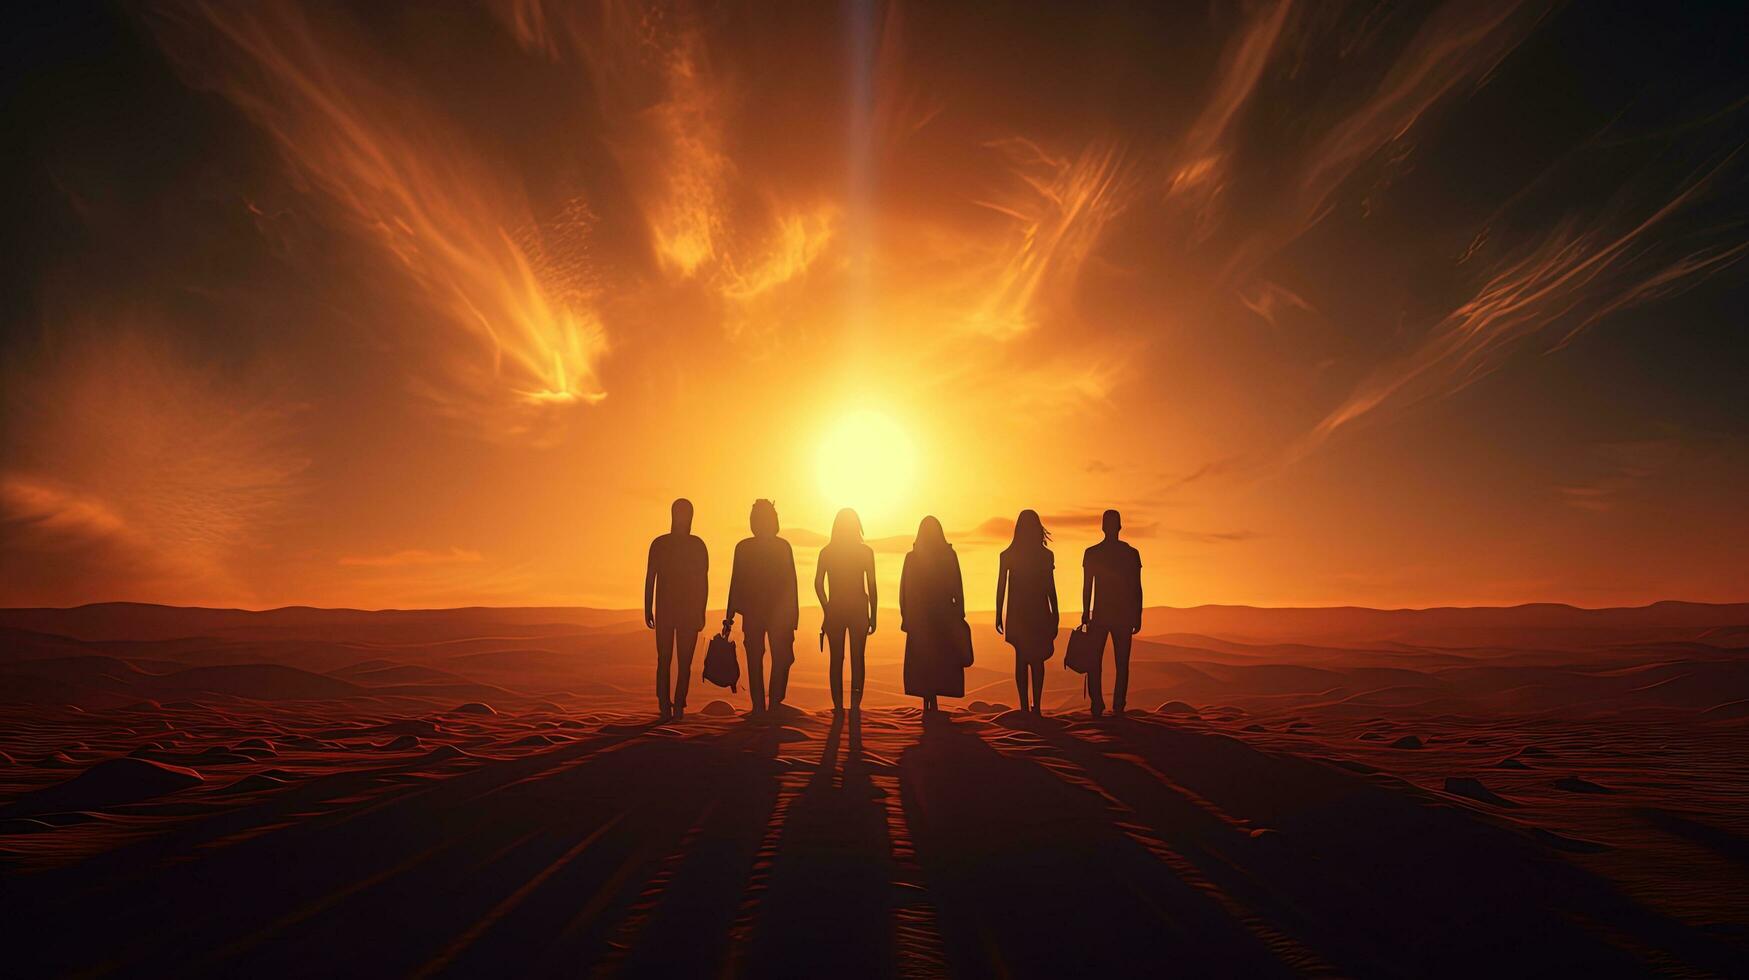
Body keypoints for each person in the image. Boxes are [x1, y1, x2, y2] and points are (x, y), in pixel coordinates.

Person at [724, 498, 799, 714]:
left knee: (764, 658)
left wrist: (730, 616)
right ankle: (769, 703)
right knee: (768, 657)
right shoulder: (773, 547)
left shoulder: (751, 547)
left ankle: (764, 704)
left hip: (764, 614)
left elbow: (735, 582)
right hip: (768, 614)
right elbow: (736, 581)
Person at [644, 498, 708, 721]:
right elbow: (650, 577)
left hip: (688, 612)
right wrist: (647, 607)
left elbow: (703, 581)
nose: (682, 518)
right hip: (665, 610)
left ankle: (679, 702)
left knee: (684, 661)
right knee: (664, 658)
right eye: (679, 513)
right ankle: (664, 702)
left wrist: (701, 611)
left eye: (686, 513)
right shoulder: (659, 544)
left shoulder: (697, 545)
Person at [901, 515, 967, 713]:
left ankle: (927, 700)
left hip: (920, 618)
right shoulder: (948, 555)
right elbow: (957, 585)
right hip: (943, 617)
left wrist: (906, 616)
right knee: (939, 659)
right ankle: (933, 700)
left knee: (924, 660)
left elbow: (904, 590)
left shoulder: (912, 557)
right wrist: (959, 613)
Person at [1081, 508, 1143, 717]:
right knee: (1121, 663)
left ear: (1103, 527)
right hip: (1121, 615)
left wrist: (1085, 611)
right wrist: (1138, 614)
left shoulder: (1092, 553)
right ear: (1119, 526)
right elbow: (1137, 587)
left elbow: (1087, 586)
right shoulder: (1130, 553)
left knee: (1095, 661)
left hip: (1101, 615)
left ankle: (1097, 704)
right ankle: (1117, 705)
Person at [814, 508, 877, 712]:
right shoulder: (865, 552)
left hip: (836, 610)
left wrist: (827, 607)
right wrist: (873, 614)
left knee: (836, 659)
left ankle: (839, 707)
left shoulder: (827, 552)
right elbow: (872, 586)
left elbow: (817, 584)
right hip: (859, 609)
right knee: (858, 658)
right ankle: (855, 707)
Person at [996, 509, 1058, 714]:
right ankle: (1036, 706)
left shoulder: (1008, 555)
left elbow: (1001, 587)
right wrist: (1055, 612)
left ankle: (1025, 706)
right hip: (1039, 612)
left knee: (1022, 658)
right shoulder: (1044, 555)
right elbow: (1051, 587)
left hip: (1018, 613)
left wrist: (998, 613)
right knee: (1036, 659)